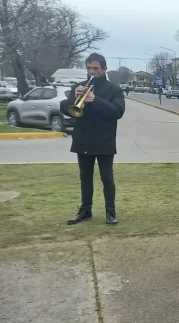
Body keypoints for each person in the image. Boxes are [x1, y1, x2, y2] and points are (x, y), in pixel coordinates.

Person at [60, 53, 126, 226]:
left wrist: (95, 100)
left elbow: (117, 112)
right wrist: (74, 97)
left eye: (95, 68)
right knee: (85, 178)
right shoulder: (79, 86)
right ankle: (85, 210)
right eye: (89, 68)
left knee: (107, 178)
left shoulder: (114, 90)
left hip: (104, 140)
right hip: (83, 140)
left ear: (104, 69)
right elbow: (66, 109)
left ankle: (110, 212)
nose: (91, 72)